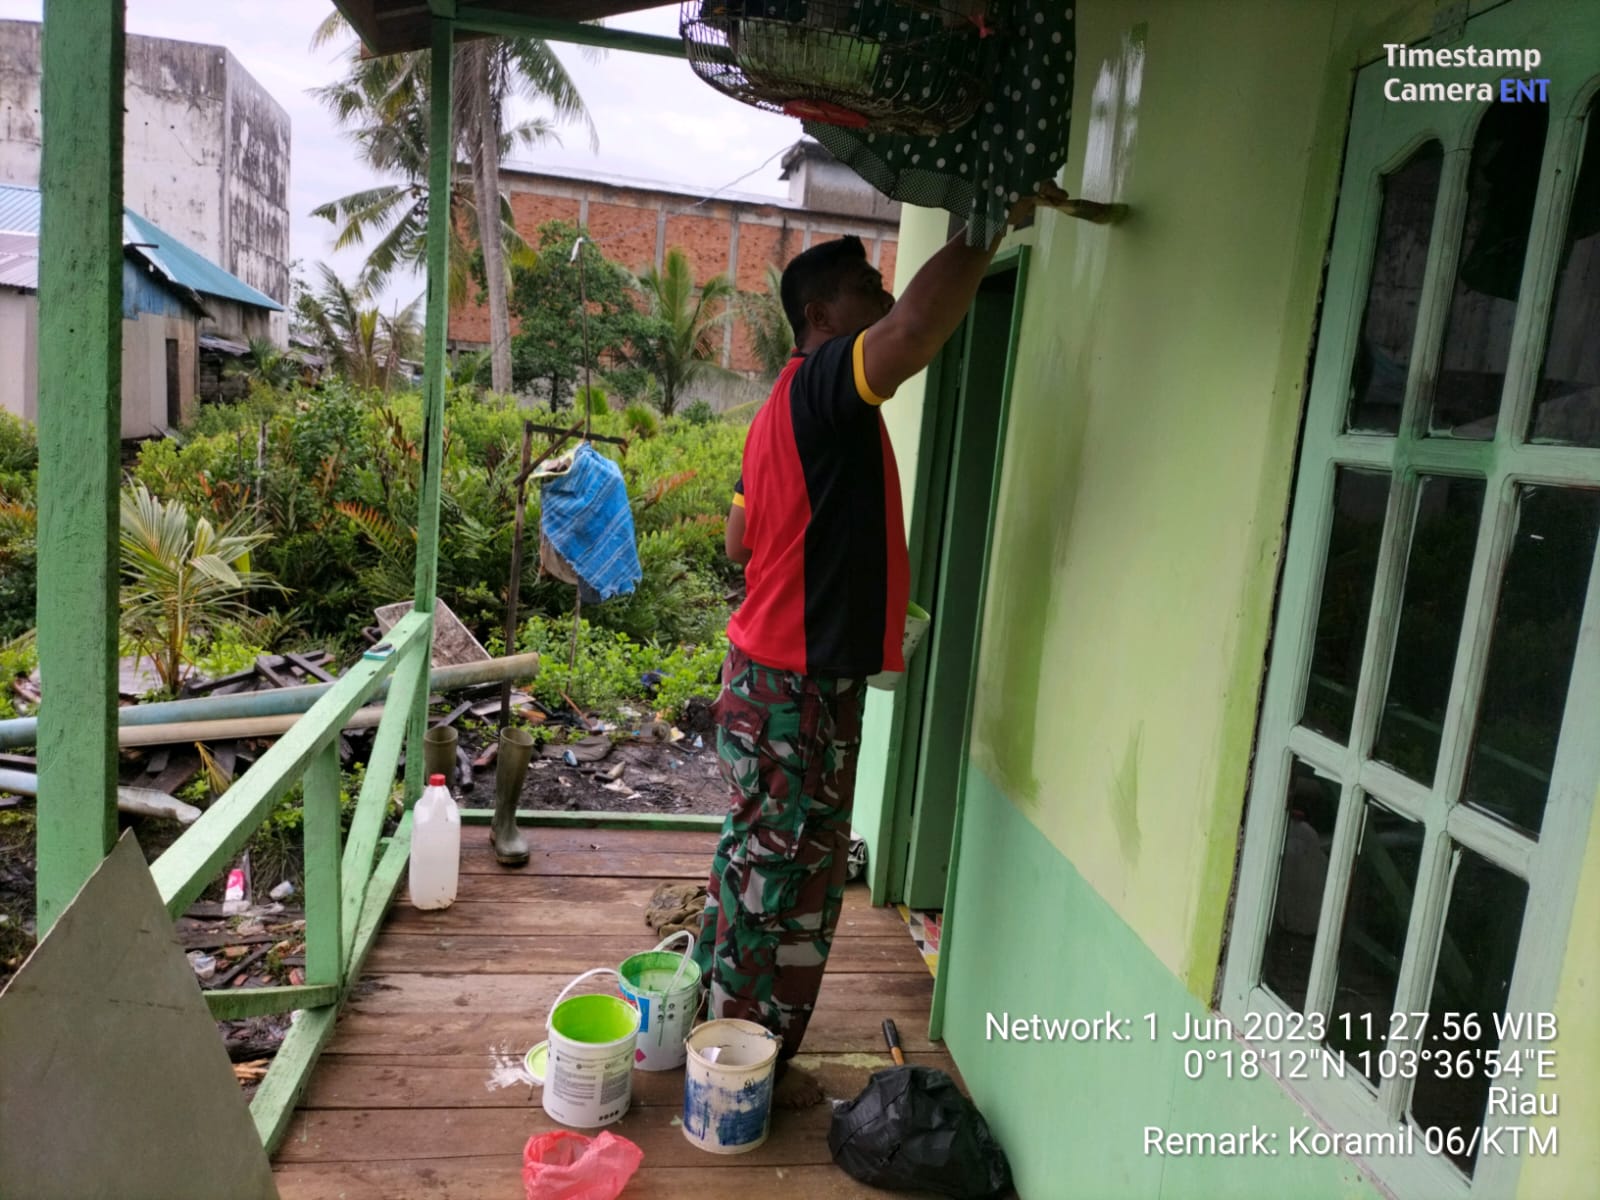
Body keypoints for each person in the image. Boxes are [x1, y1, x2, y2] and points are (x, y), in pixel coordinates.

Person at [691, 183, 1070, 1103]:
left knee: (777, 867)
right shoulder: (826, 386)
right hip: (793, 686)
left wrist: (830, 562)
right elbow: (909, 339)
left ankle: (737, 1043)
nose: (885, 297)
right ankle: (730, 1072)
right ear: (822, 317)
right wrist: (988, 222)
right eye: (868, 287)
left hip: (780, 676)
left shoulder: (778, 411)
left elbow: (739, 541)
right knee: (781, 880)